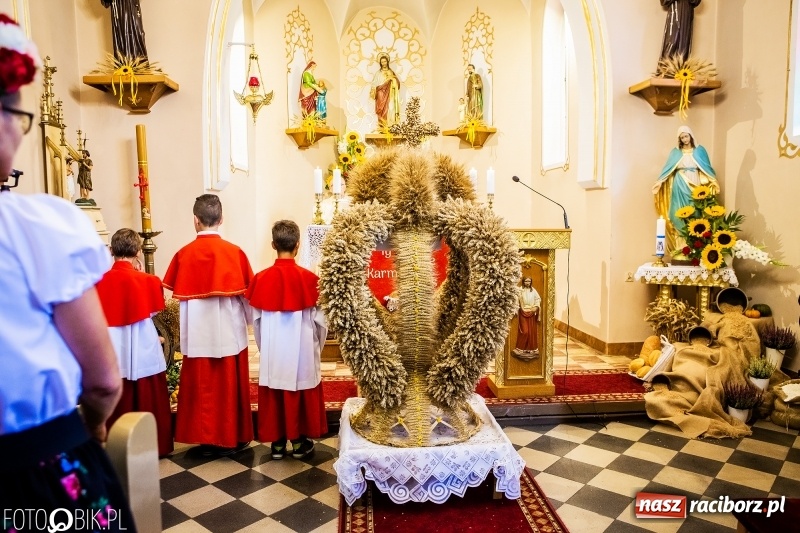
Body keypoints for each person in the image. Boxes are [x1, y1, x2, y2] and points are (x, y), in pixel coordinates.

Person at [0, 14, 135, 529]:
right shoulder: (35, 228)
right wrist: (95, 424)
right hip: (40, 471)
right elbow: (102, 381)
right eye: (17, 114)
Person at [162, 194, 254, 456]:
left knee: (203, 387)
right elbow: (248, 299)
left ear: (195, 220)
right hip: (230, 335)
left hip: (198, 336)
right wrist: (248, 325)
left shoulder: (184, 254)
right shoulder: (235, 253)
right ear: (221, 219)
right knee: (229, 384)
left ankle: (206, 439)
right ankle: (234, 436)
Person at [246, 220, 328, 460]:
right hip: (303, 349)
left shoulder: (261, 279)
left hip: (272, 349)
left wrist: (265, 348)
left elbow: (257, 323)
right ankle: (300, 442)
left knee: (274, 389)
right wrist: (316, 348)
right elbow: (321, 322)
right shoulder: (310, 280)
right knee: (300, 388)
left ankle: (278, 444)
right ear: (298, 245)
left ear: (273, 244)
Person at [96, 228, 173, 457]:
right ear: (138, 251)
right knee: (148, 390)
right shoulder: (149, 281)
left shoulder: (98, 282)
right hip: (141, 343)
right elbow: (154, 310)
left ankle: (117, 444)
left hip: (112, 346)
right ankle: (154, 445)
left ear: (111, 250)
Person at [654, 125, 718, 257]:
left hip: (695, 183)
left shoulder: (700, 151)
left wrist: (713, 182)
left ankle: (695, 246)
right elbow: (668, 168)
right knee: (678, 213)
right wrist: (659, 182)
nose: (684, 139)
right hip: (680, 183)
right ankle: (681, 247)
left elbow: (706, 168)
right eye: (682, 137)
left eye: (686, 136)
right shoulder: (676, 152)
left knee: (695, 212)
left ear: (691, 136)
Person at [658, 0, 701, 65]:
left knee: (684, 45)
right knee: (671, 41)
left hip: (687, 12)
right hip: (674, 11)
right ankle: (665, 70)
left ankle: (681, 69)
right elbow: (664, 2)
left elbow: (695, 1)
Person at [513, 277, 541, 360]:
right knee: (524, 331)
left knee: (531, 332)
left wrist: (536, 307)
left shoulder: (533, 290)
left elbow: (538, 299)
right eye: (526, 281)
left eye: (529, 281)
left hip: (531, 312)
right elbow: (515, 299)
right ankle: (519, 349)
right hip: (523, 312)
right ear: (523, 281)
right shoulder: (520, 290)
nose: (528, 282)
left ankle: (532, 349)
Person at [370, 53, 401, 128]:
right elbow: (374, 83)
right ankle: (381, 126)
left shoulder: (391, 72)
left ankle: (389, 125)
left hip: (389, 93)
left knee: (390, 107)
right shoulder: (378, 73)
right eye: (382, 62)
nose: (384, 63)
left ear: (387, 62)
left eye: (385, 61)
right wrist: (373, 90)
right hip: (380, 92)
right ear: (380, 63)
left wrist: (392, 79)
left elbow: (397, 83)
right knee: (381, 109)